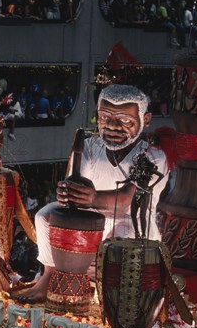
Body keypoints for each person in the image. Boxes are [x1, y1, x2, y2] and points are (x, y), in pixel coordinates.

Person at [17, 83, 168, 303]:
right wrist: (68, 193)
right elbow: (77, 183)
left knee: (121, 240)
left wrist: (93, 197)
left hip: (130, 220)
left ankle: (113, 298)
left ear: (145, 120)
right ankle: (49, 276)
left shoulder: (153, 156)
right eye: (106, 118)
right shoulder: (88, 146)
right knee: (45, 216)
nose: (113, 126)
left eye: (125, 121)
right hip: (90, 213)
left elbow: (127, 199)